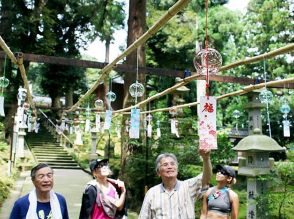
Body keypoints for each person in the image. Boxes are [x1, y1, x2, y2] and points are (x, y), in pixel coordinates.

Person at [138, 149, 212, 219]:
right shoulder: (152, 193)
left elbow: (206, 178)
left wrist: (206, 159)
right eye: (165, 165)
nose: (170, 167)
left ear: (177, 169)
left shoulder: (188, 186)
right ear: (158, 172)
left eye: (172, 164)